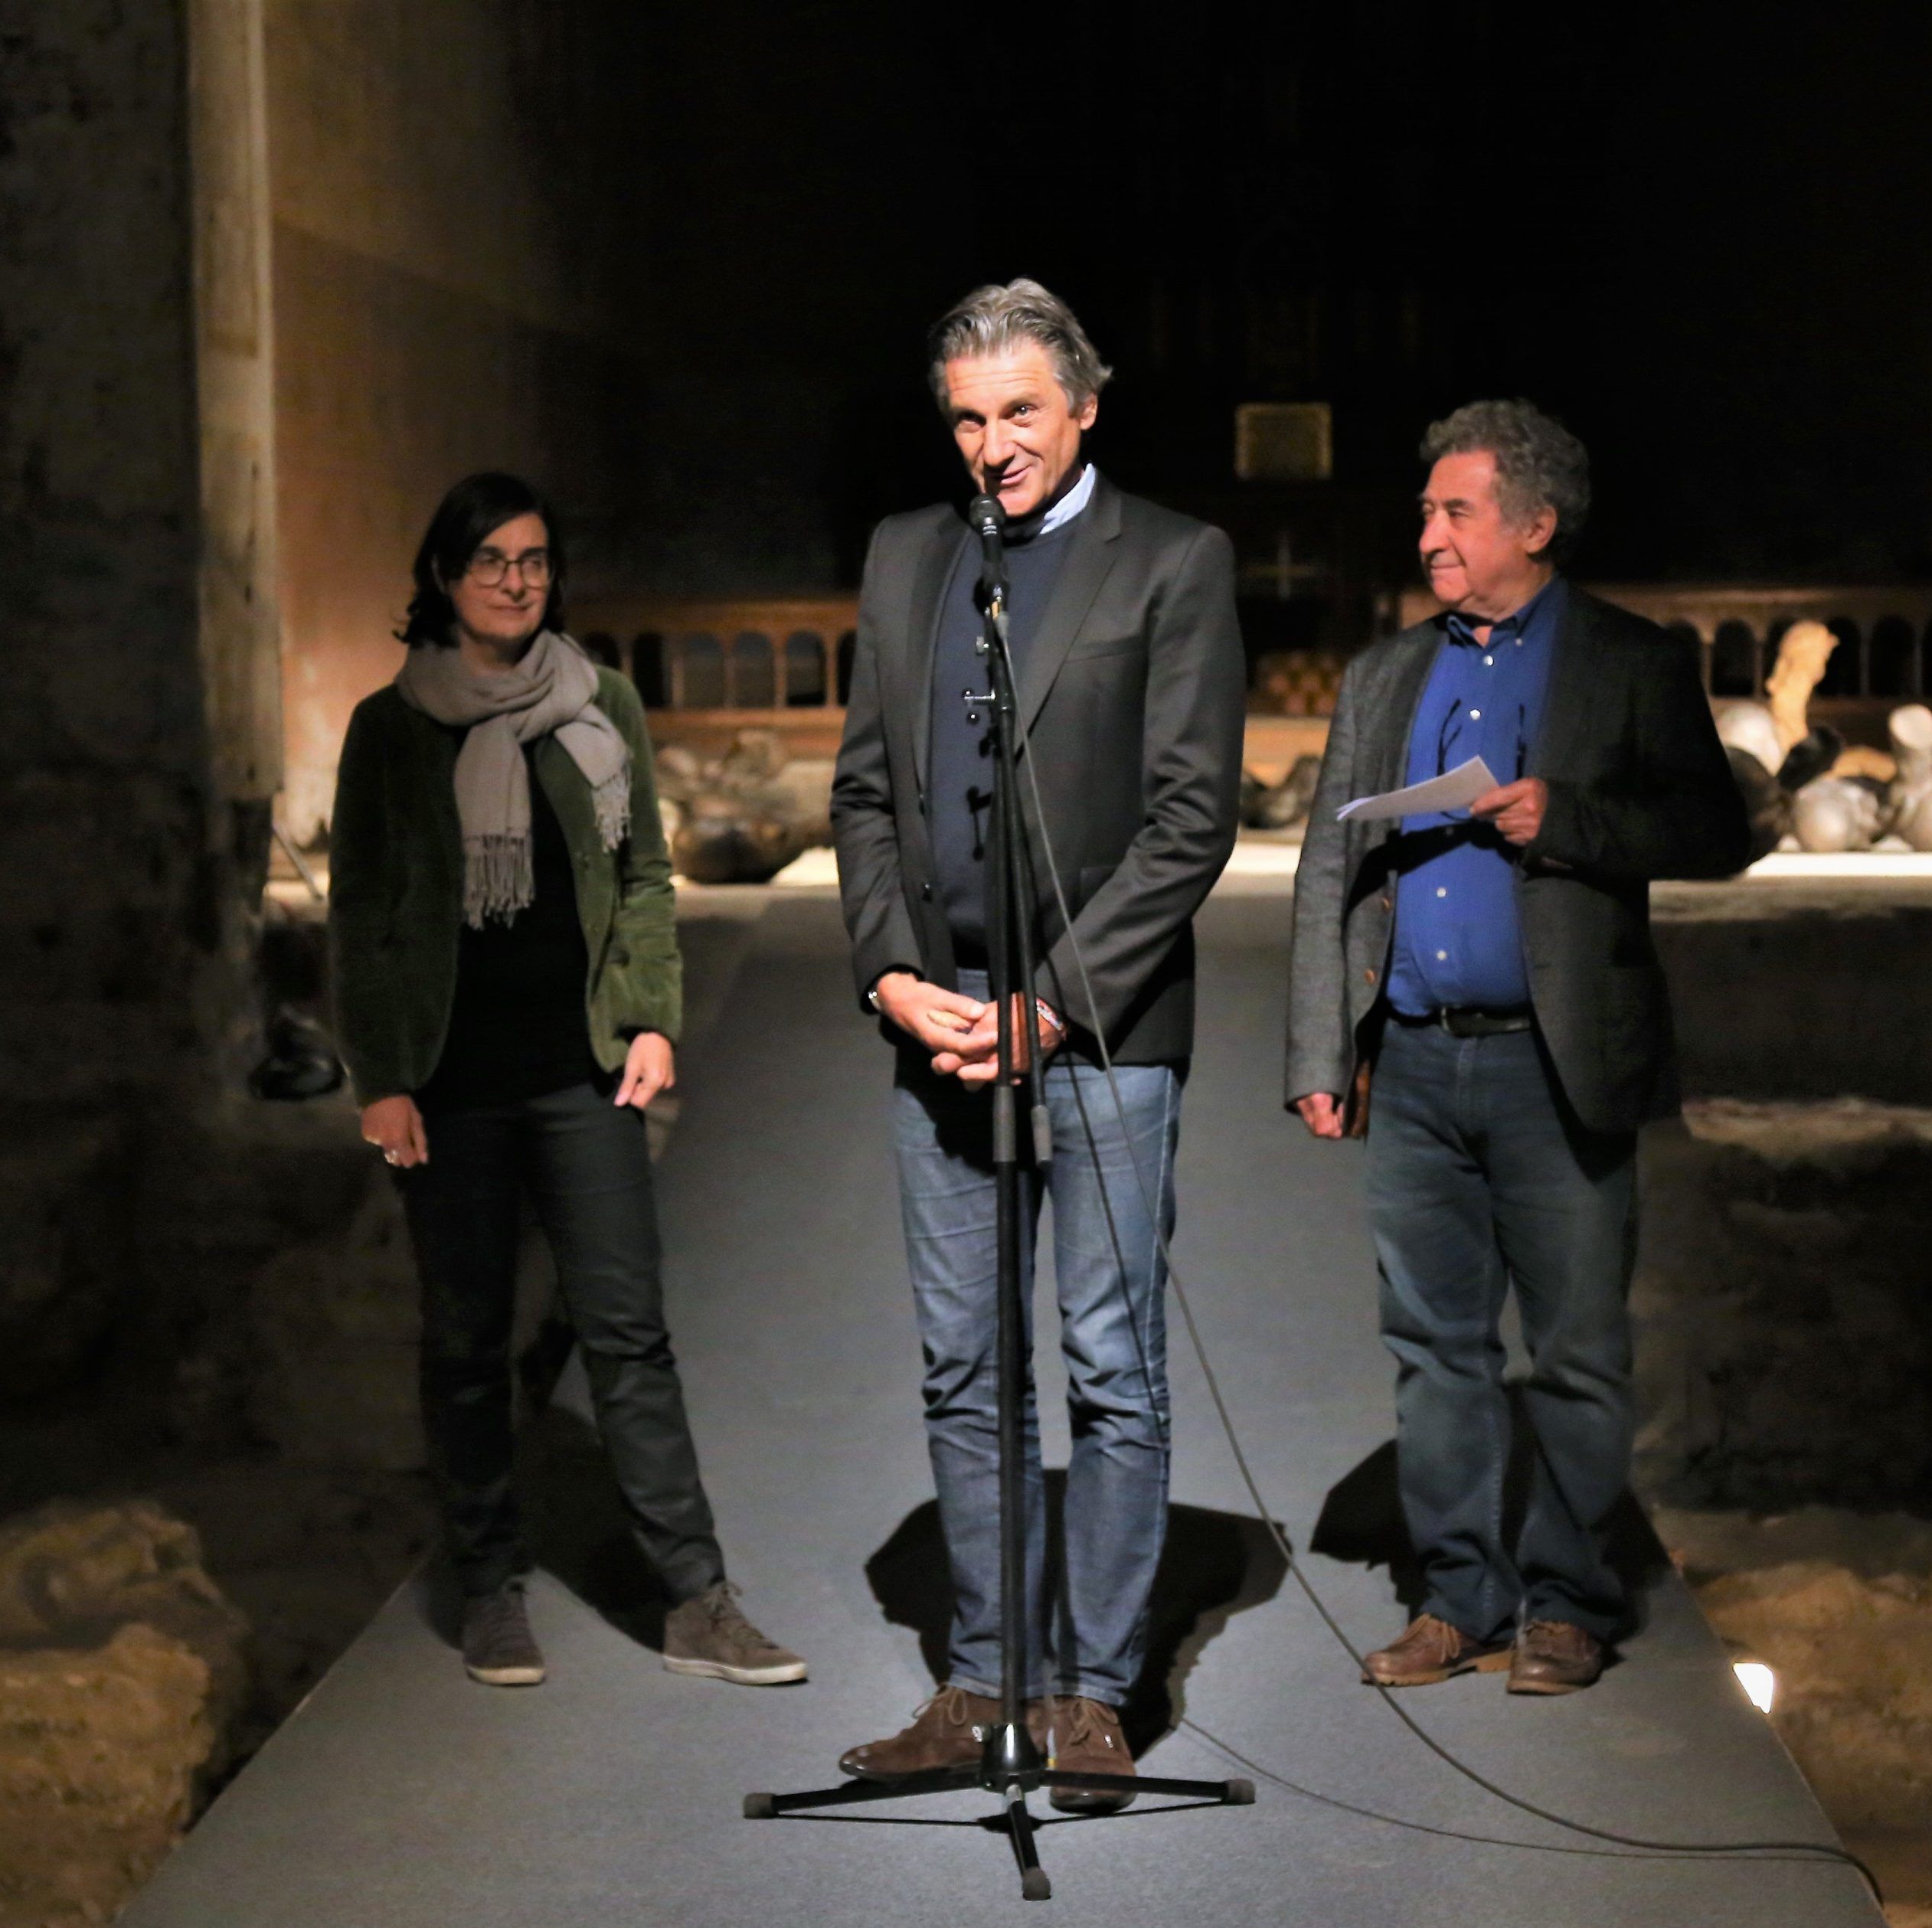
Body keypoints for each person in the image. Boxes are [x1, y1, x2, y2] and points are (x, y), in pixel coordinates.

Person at [829, 281, 1246, 1807]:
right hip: (937, 1028)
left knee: (1110, 1364)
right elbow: (867, 794)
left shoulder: (1177, 559)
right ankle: (982, 1674)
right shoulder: (906, 559)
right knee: (962, 1366)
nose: (991, 444)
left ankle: (1093, 1691)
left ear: (1084, 403)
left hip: (1101, 1033)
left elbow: (1195, 816)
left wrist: (1052, 1002)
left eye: (1018, 410)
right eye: (966, 416)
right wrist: (888, 972)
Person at [1285, 401, 1750, 1696]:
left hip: (1560, 1061)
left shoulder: (1626, 662)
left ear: (1534, 526)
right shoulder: (1384, 674)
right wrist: (1321, 1052)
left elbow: (1717, 827)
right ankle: (1456, 1599)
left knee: (1577, 1349)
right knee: (1433, 1347)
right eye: (1428, 511)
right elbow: (1331, 862)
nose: (1428, 533)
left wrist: (1570, 818)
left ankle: (1565, 1601)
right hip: (1419, 1064)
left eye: (1457, 512)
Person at [328, 471, 803, 1691]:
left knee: (628, 1334)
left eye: (534, 561)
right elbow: (364, 916)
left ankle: (695, 1598)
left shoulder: (606, 708)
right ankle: (490, 1588)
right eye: (490, 561)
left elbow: (643, 873)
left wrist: (650, 1019)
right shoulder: (393, 729)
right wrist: (380, 1078)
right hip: (446, 1082)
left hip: (582, 1071)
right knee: (466, 1338)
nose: (515, 581)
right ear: (443, 578)